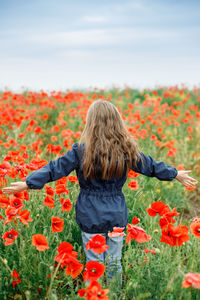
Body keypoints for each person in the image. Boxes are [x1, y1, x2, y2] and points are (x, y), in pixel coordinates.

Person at [2, 99, 197, 292]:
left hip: (90, 213)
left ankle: (93, 296)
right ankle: (114, 296)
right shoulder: (126, 150)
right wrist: (175, 174)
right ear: (117, 122)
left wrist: (28, 183)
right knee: (114, 262)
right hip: (116, 213)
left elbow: (55, 169)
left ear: (91, 123)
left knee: (93, 263)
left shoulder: (80, 152)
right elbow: (151, 166)